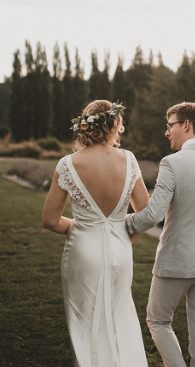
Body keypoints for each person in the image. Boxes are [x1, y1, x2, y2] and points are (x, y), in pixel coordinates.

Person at [125, 102, 195, 367]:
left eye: (170, 125)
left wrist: (121, 223)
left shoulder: (172, 163)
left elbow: (153, 215)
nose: (167, 132)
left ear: (186, 125)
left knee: (158, 320)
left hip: (176, 261)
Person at [43, 100, 150, 367]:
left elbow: (50, 221)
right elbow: (146, 215)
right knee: (120, 317)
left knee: (85, 321)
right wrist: (123, 237)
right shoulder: (129, 160)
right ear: (114, 125)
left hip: (82, 250)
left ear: (85, 126)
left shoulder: (67, 164)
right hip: (120, 250)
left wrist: (81, 227)